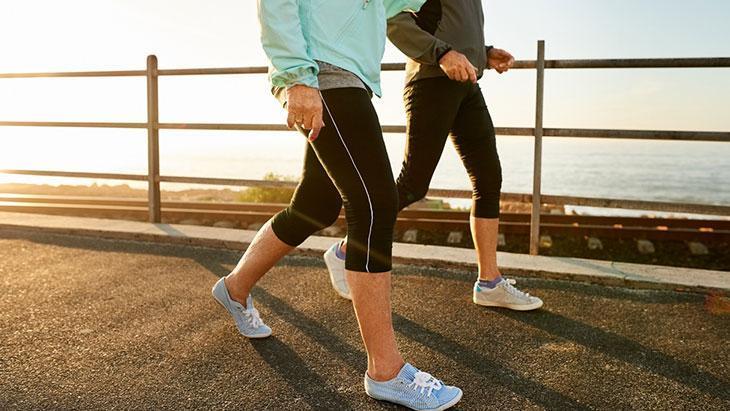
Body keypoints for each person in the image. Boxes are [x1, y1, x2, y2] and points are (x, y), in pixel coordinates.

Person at [212, 1, 462, 409]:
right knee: (375, 204)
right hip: (320, 71)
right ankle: (386, 371)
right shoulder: (310, 73)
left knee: (315, 205)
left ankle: (234, 288)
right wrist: (296, 77)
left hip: (350, 75)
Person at [324, 0, 544, 311]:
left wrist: (483, 52)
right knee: (413, 184)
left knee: (488, 178)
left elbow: (451, 23)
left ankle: (490, 283)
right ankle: (346, 251)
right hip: (431, 83)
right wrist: (441, 53)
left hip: (466, 83)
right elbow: (392, 18)